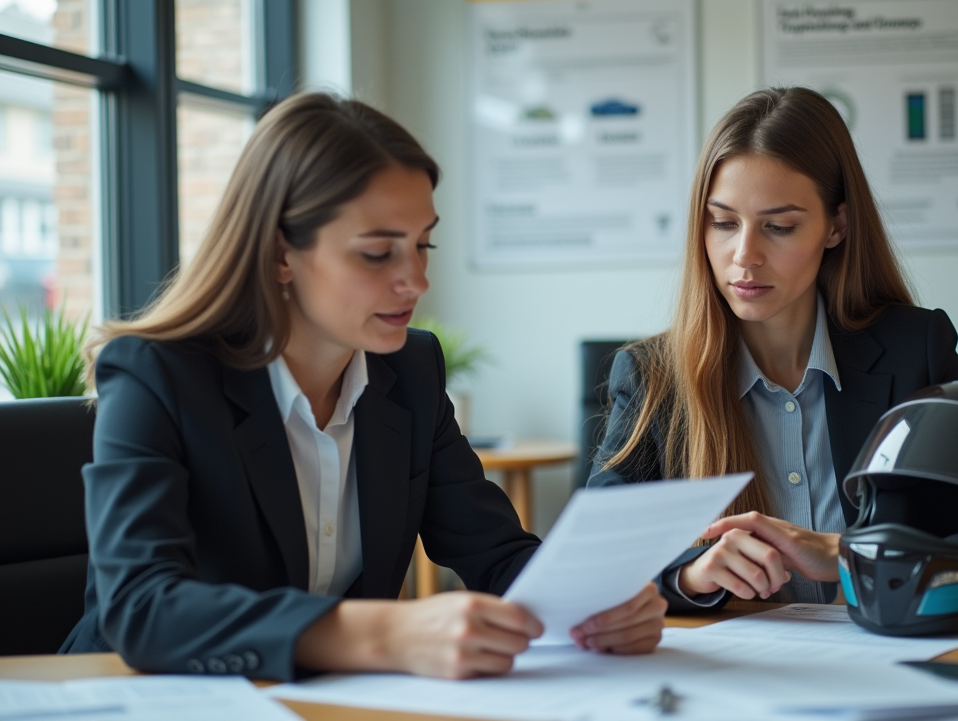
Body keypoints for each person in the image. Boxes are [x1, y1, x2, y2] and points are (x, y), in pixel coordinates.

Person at [62, 93, 667, 680]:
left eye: (423, 244)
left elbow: (497, 553)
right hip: (144, 696)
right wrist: (384, 634)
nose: (416, 281)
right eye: (378, 253)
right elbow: (140, 608)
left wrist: (592, 603)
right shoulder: (156, 373)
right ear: (280, 254)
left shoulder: (411, 370)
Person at [588, 87, 958, 612]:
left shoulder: (914, 354)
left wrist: (855, 557)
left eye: (779, 226)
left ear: (836, 226)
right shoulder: (652, 376)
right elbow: (585, 563)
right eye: (723, 223)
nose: (744, 255)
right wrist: (687, 574)